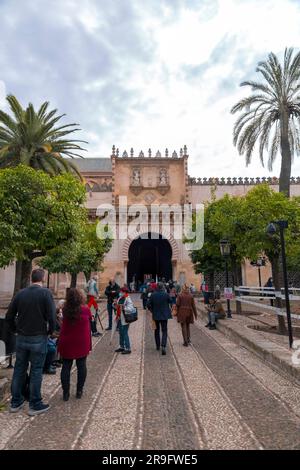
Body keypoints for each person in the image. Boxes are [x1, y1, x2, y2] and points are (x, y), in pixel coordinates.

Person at [6, 268, 56, 416]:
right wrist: (50, 331)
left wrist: (15, 329)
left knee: (19, 369)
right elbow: (52, 317)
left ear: (31, 279)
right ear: (42, 278)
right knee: (36, 370)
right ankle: (35, 403)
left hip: (21, 337)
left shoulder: (20, 293)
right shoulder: (45, 293)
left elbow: (9, 316)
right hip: (38, 337)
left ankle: (16, 401)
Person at [58, 288, 92, 401]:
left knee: (66, 366)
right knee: (81, 366)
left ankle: (66, 393)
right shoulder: (85, 310)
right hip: (81, 342)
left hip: (67, 341)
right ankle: (79, 390)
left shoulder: (65, 309)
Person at [147, 282, 172, 355]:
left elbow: (148, 304)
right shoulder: (165, 294)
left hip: (156, 315)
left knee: (156, 331)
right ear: (162, 287)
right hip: (164, 315)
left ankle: (158, 345)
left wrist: (152, 310)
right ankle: (163, 345)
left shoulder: (153, 295)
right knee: (164, 331)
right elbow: (171, 301)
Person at [114, 287, 135, 355]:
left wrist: (123, 307)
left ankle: (128, 348)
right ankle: (122, 346)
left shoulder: (128, 299)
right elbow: (117, 306)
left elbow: (131, 308)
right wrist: (114, 304)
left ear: (124, 292)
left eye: (121, 292)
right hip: (119, 317)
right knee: (120, 332)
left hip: (125, 318)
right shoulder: (120, 298)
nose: (120, 293)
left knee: (125, 332)